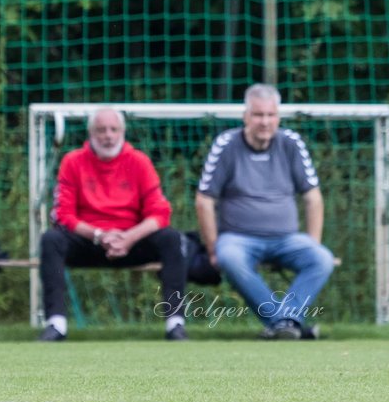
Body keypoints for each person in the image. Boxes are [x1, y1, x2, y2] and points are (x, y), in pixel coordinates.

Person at [194, 83, 335, 340]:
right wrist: (213, 248)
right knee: (230, 258)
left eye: (271, 115)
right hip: (238, 238)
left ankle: (284, 322)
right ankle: (288, 324)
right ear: (246, 116)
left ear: (278, 117)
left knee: (322, 259)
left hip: (287, 239)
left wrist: (312, 242)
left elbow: (313, 197)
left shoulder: (291, 143)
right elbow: (204, 201)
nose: (265, 122)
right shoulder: (226, 145)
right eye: (258, 115)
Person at [37, 108, 190, 342]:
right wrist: (99, 235)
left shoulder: (139, 162)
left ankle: (175, 323)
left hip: (132, 242)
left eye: (113, 129)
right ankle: (56, 324)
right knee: (51, 239)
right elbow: (62, 214)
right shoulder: (72, 161)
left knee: (172, 238)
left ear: (122, 132)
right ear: (90, 134)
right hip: (89, 241)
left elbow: (160, 213)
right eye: (101, 130)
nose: (108, 135)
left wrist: (129, 237)